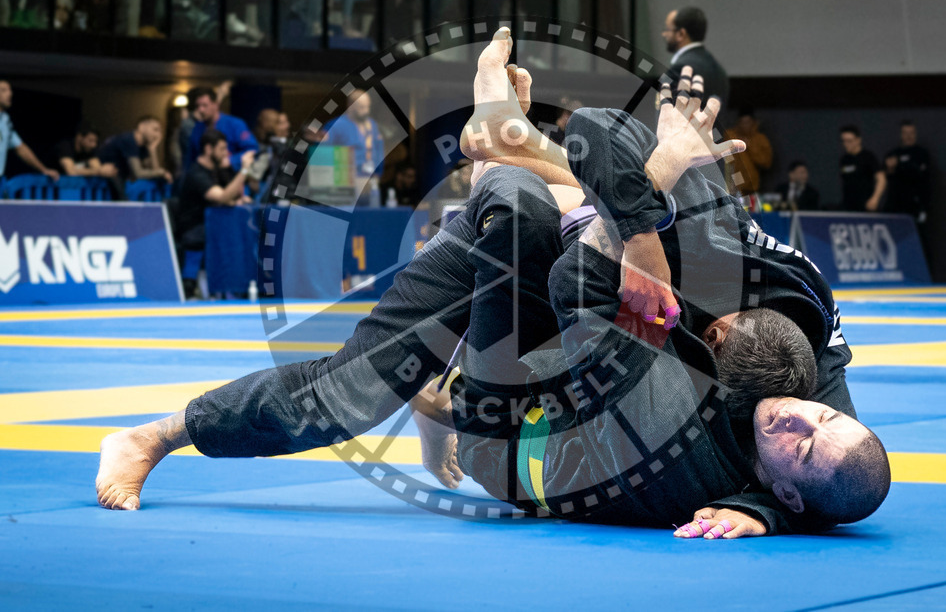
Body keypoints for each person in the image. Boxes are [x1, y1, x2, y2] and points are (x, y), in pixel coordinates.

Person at [96, 30, 888, 537]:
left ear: (713, 369)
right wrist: (649, 226)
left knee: (543, 209)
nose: (804, 421)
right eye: (814, 414)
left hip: (546, 393)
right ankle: (154, 434)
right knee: (373, 368)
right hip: (568, 273)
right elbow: (597, 136)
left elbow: (581, 277)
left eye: (799, 440)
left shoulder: (689, 428)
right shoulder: (782, 300)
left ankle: (502, 160)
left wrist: (758, 512)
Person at [176, 129, 255, 257]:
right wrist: (245, 169)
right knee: (233, 232)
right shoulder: (197, 173)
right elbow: (222, 198)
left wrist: (238, 201)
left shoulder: (218, 170)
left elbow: (232, 196)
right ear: (208, 149)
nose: (226, 154)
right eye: (222, 149)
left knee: (248, 228)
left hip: (214, 222)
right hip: (194, 228)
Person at [662, 7, 729, 112]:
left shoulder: (679, 68)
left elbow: (667, 114)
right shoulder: (718, 68)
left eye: (667, 30)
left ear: (681, 34)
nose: (664, 34)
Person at [187, 87, 259, 173]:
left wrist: (231, 160)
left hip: (231, 175)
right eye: (198, 106)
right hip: (206, 178)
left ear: (216, 105)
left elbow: (252, 149)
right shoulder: (197, 128)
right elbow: (191, 158)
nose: (201, 110)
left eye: (205, 105)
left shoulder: (235, 124)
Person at [0, 80, 61, 180]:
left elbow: (20, 147)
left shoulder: (5, 120)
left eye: (10, 90)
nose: (10, 94)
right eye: (3, 90)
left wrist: (43, 169)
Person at [97, 116, 173, 192]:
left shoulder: (144, 146)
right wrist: (162, 172)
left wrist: (152, 149)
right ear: (142, 126)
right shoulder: (129, 140)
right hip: (103, 179)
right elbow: (138, 173)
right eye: (155, 129)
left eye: (160, 131)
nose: (158, 135)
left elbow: (154, 171)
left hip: (119, 180)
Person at [325, 92, 384, 178]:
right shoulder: (336, 126)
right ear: (351, 105)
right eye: (362, 107)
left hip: (369, 179)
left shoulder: (372, 125)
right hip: (345, 180)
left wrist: (377, 174)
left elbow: (378, 149)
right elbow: (323, 154)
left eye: (368, 106)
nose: (366, 111)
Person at [884, 120, 930, 224]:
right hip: (896, 205)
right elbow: (887, 178)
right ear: (901, 135)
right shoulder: (893, 153)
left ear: (915, 134)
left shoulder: (921, 153)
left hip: (914, 204)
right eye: (905, 133)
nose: (909, 136)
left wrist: (899, 164)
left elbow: (920, 175)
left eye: (911, 133)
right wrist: (890, 169)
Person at [723, 108, 773, 195]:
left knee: (751, 206)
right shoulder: (730, 135)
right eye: (742, 122)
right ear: (738, 122)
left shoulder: (760, 139)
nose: (745, 125)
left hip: (752, 186)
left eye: (748, 122)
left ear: (753, 122)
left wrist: (750, 147)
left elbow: (766, 162)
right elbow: (727, 159)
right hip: (734, 184)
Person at [838, 125, 885, 212]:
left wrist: (875, 198)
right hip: (848, 206)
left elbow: (881, 179)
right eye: (844, 141)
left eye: (849, 141)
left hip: (865, 206)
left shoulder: (868, 157)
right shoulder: (844, 159)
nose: (846, 144)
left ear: (858, 140)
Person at [52, 124, 116, 178]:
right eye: (90, 141)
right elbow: (71, 172)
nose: (94, 145)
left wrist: (105, 171)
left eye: (95, 142)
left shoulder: (89, 150)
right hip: (51, 186)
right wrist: (98, 171)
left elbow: (97, 167)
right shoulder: (65, 146)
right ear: (79, 137)